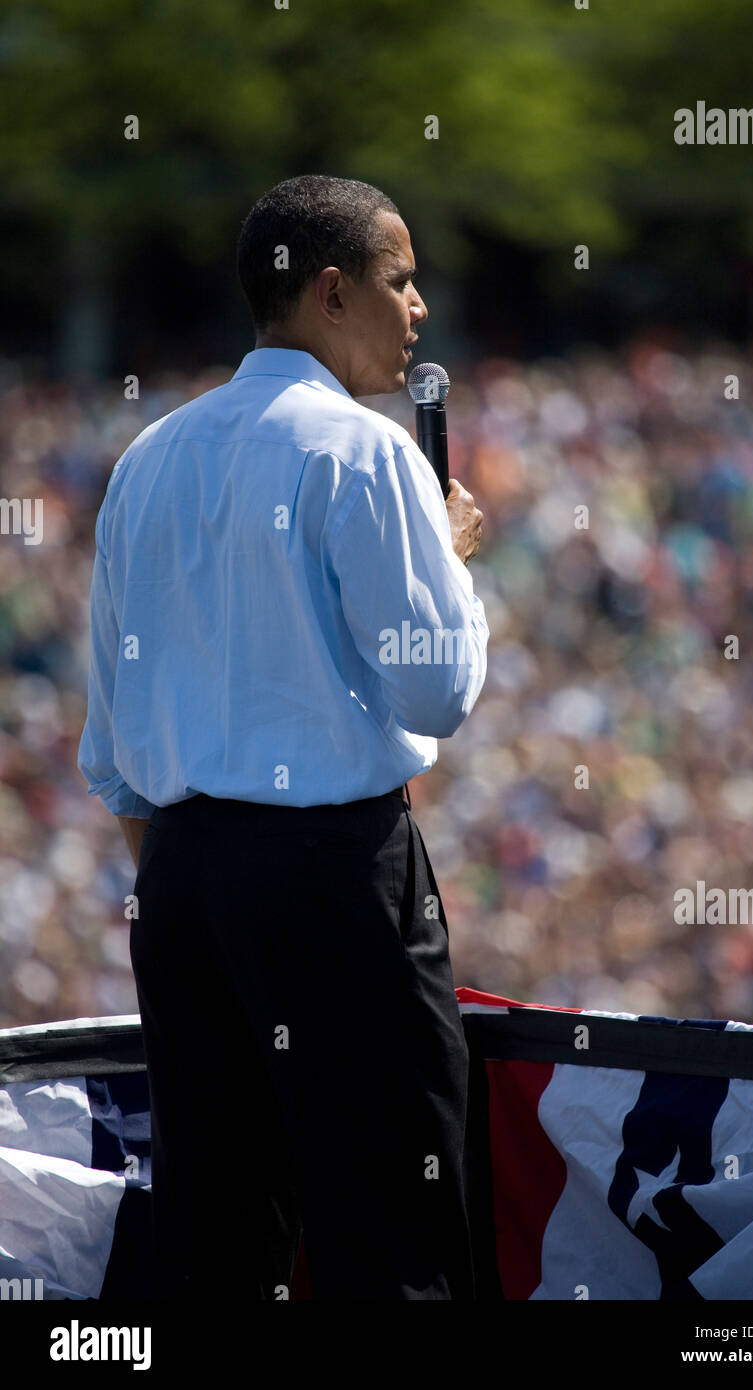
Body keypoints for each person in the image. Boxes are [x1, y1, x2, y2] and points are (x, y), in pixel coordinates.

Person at [77, 174, 488, 1300]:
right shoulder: (366, 453)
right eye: (400, 282)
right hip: (331, 878)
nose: (417, 311)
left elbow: (111, 742)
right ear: (330, 290)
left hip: (182, 880)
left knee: (214, 1239)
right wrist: (446, 562)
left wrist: (185, 887)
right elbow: (436, 690)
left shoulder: (148, 458)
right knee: (389, 1235)